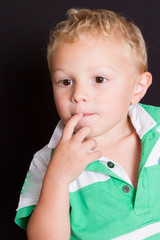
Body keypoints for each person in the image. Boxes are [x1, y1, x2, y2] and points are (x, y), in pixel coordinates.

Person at [15, 8, 160, 239]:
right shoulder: (49, 160)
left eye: (99, 79)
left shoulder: (158, 131)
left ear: (138, 88)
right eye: (65, 81)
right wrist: (58, 178)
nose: (78, 94)